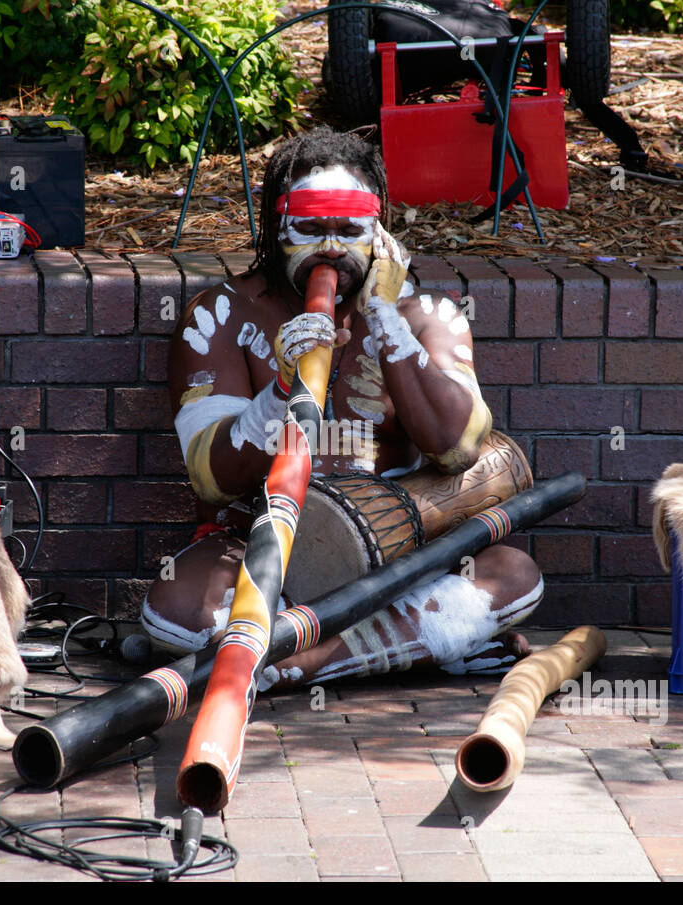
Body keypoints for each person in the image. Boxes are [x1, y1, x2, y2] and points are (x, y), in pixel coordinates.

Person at [140, 126, 543, 689]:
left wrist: (385, 319)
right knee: (178, 611)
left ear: (378, 236)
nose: (331, 248)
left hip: (401, 555)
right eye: (310, 229)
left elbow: (457, 447)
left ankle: (290, 664)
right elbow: (210, 480)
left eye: (349, 231)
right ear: (275, 230)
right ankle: (408, 646)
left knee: (512, 576)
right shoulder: (222, 315)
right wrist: (280, 390)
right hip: (258, 548)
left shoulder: (426, 316)